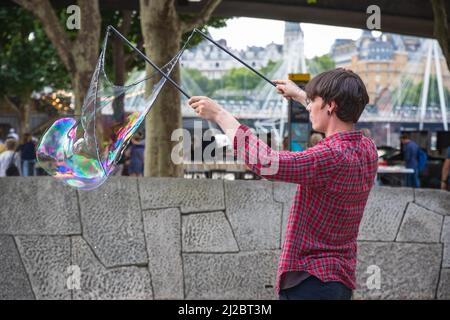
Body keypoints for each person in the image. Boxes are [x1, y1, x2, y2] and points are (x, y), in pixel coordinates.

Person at [188, 68, 378, 300]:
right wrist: (299, 94)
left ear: (331, 106)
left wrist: (219, 114)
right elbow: (330, 114)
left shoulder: (331, 156)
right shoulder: (367, 148)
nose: (309, 107)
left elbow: (265, 162)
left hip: (310, 282)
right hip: (338, 281)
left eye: (314, 100)